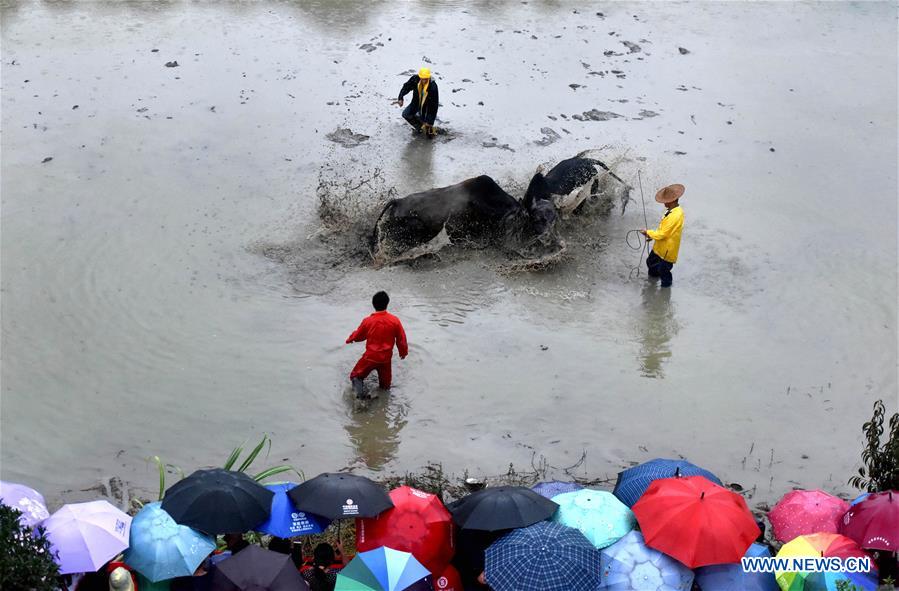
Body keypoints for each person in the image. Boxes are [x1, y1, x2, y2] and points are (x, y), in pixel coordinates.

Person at [346, 291, 408, 399]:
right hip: (386, 359)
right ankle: (381, 400)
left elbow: (360, 335)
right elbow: (401, 339)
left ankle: (360, 398)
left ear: (373, 304)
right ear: (387, 304)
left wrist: (351, 339)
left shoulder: (368, 321)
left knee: (355, 375)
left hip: (370, 357)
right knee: (385, 386)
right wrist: (403, 352)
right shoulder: (395, 321)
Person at [640, 183, 685, 288]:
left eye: (665, 201)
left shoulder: (676, 215)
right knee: (650, 262)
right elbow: (663, 231)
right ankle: (652, 284)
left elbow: (663, 234)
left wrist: (647, 232)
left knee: (663, 270)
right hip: (660, 247)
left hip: (668, 251)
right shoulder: (670, 211)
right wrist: (652, 236)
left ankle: (665, 291)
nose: (663, 203)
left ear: (672, 200)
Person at [396, 67, 439, 138]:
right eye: (422, 78)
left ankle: (430, 133)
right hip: (415, 103)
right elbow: (406, 87)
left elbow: (434, 106)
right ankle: (420, 128)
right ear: (419, 76)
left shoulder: (433, 87)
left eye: (426, 79)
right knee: (405, 114)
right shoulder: (415, 79)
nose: (424, 80)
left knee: (428, 130)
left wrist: (430, 121)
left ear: (429, 77)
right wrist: (401, 97)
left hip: (426, 107)